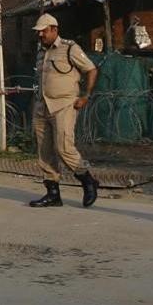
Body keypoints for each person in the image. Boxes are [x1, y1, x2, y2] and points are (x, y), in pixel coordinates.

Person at [27, 13, 100, 209]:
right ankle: (52, 193)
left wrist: (85, 95)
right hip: (42, 106)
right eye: (39, 32)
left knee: (64, 147)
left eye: (44, 31)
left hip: (64, 105)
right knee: (45, 151)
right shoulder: (41, 51)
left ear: (54, 30)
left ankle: (88, 181)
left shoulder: (70, 48)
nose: (40, 35)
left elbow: (91, 69)